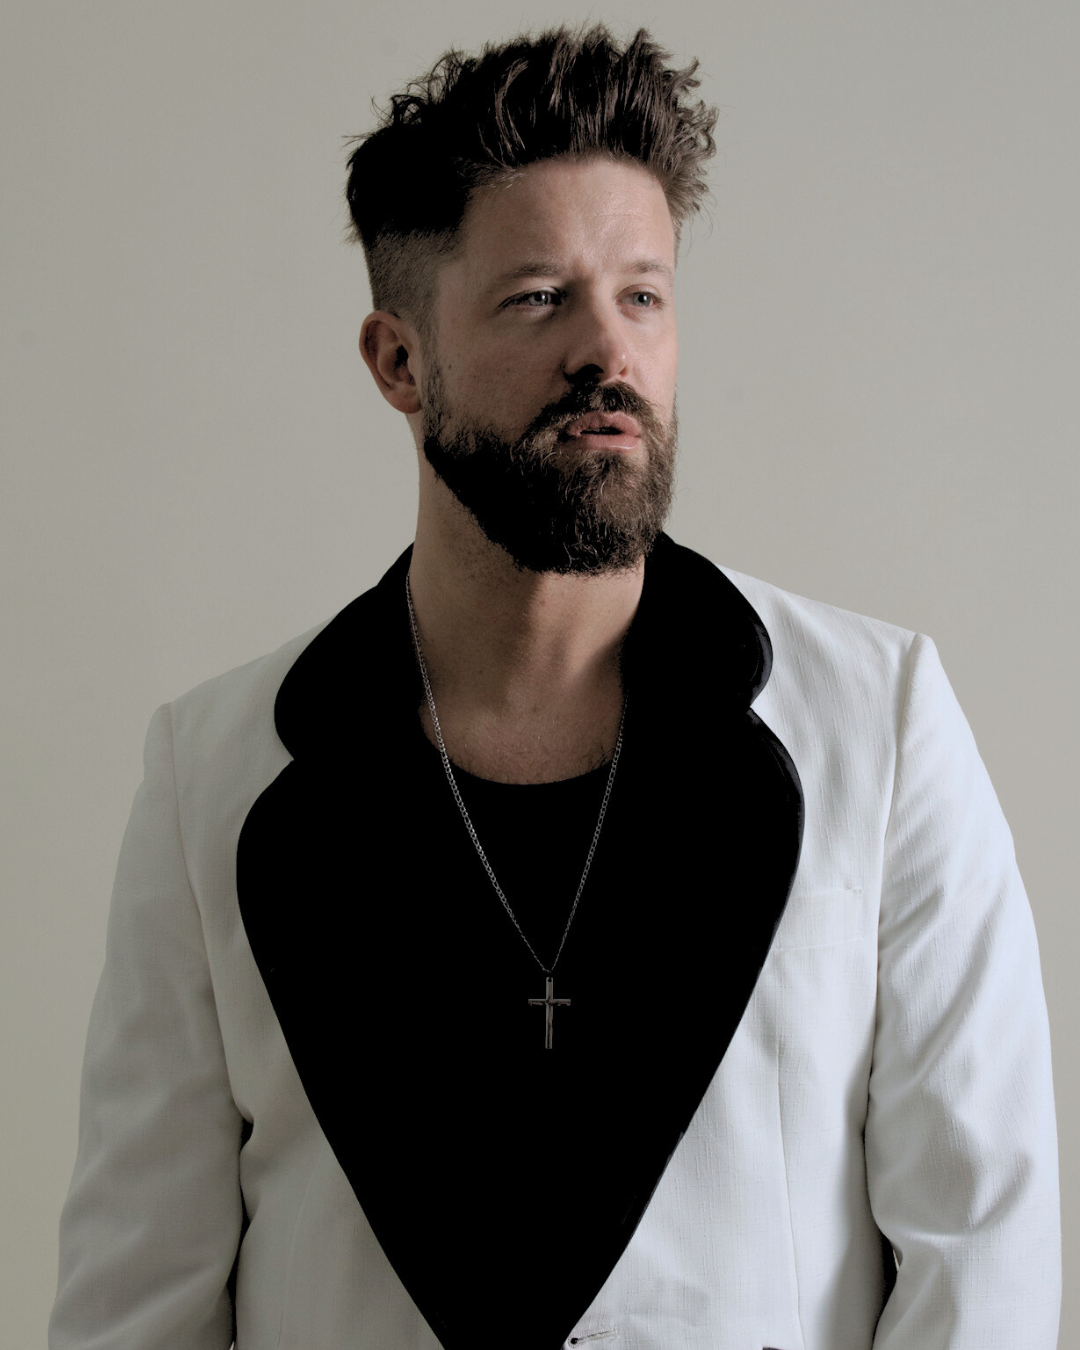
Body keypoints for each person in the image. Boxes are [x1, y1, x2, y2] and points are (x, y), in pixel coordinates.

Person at [50, 23, 1060, 1350]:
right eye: (539, 298)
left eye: (642, 295)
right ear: (399, 362)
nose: (609, 353)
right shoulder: (215, 772)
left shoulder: (882, 722)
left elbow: (983, 1257)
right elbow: (137, 1298)